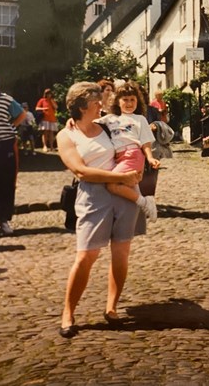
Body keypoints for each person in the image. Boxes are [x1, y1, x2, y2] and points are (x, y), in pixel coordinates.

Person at [57, 81, 144, 338]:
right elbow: (80, 171)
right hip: (94, 197)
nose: (102, 105)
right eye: (97, 102)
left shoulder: (107, 124)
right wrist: (119, 178)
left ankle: (111, 308)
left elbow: (136, 128)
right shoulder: (67, 135)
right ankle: (68, 313)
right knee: (86, 256)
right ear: (83, 106)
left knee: (121, 253)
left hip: (125, 194)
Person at [95, 81, 160, 222]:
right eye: (125, 100)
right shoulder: (110, 118)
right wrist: (72, 121)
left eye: (132, 100)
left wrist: (150, 158)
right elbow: (90, 123)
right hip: (118, 157)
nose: (129, 103)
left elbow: (145, 142)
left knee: (112, 184)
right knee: (131, 186)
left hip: (133, 155)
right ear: (118, 101)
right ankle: (141, 210)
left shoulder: (140, 119)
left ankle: (145, 203)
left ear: (138, 101)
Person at [0, 69, 26, 238]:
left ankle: (3, 220)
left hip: (5, 146)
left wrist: (11, 127)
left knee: (6, 183)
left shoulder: (5, 99)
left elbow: (21, 114)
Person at [35, 88, 58, 152]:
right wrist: (44, 108)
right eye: (47, 93)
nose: (49, 95)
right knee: (45, 133)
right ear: (45, 94)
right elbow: (37, 108)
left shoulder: (52, 100)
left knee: (51, 133)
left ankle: (51, 147)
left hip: (52, 118)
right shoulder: (42, 100)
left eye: (50, 93)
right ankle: (44, 146)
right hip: (45, 118)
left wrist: (52, 101)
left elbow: (56, 107)